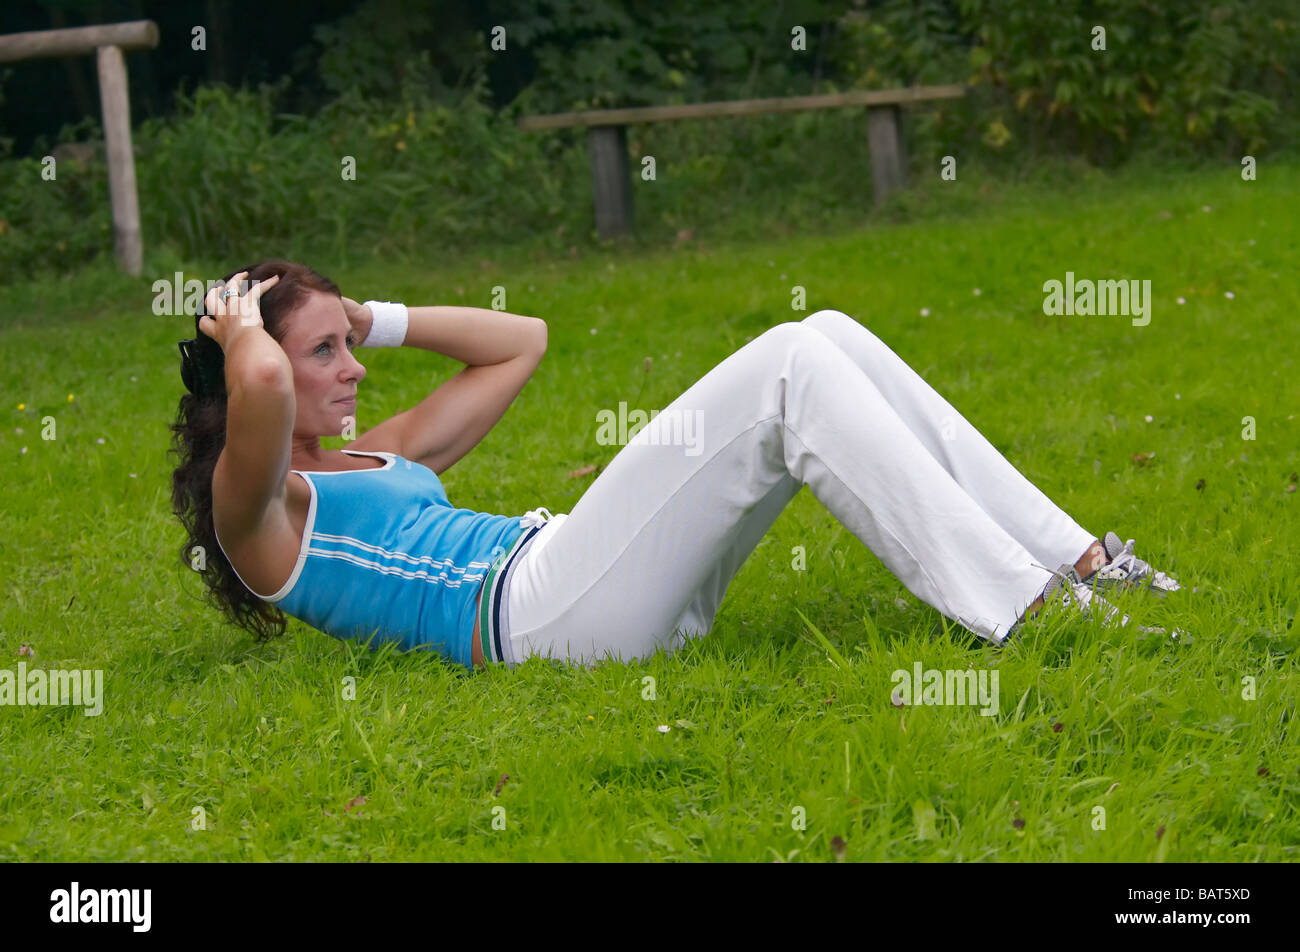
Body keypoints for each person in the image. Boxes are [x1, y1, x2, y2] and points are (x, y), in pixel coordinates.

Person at [171, 259, 1180, 674]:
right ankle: (1027, 613)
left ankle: (1082, 560)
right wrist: (241, 326)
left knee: (822, 332)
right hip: (537, 617)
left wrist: (364, 317)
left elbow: (519, 340)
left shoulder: (374, 451)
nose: (348, 367)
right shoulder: (259, 512)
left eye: (344, 346)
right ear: (250, 370)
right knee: (789, 367)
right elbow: (258, 389)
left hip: (572, 571)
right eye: (324, 354)